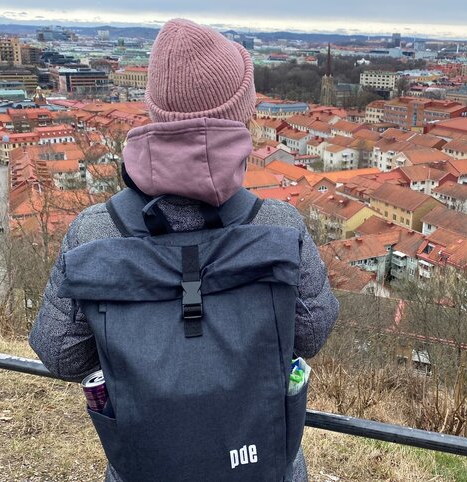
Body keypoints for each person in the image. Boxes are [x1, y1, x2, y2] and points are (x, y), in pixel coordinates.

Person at [29, 18, 338, 482]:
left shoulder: (93, 232)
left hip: (148, 466)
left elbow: (60, 354)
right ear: (241, 116)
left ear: (154, 112)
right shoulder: (277, 226)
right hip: (261, 465)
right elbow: (311, 335)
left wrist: (143, 344)